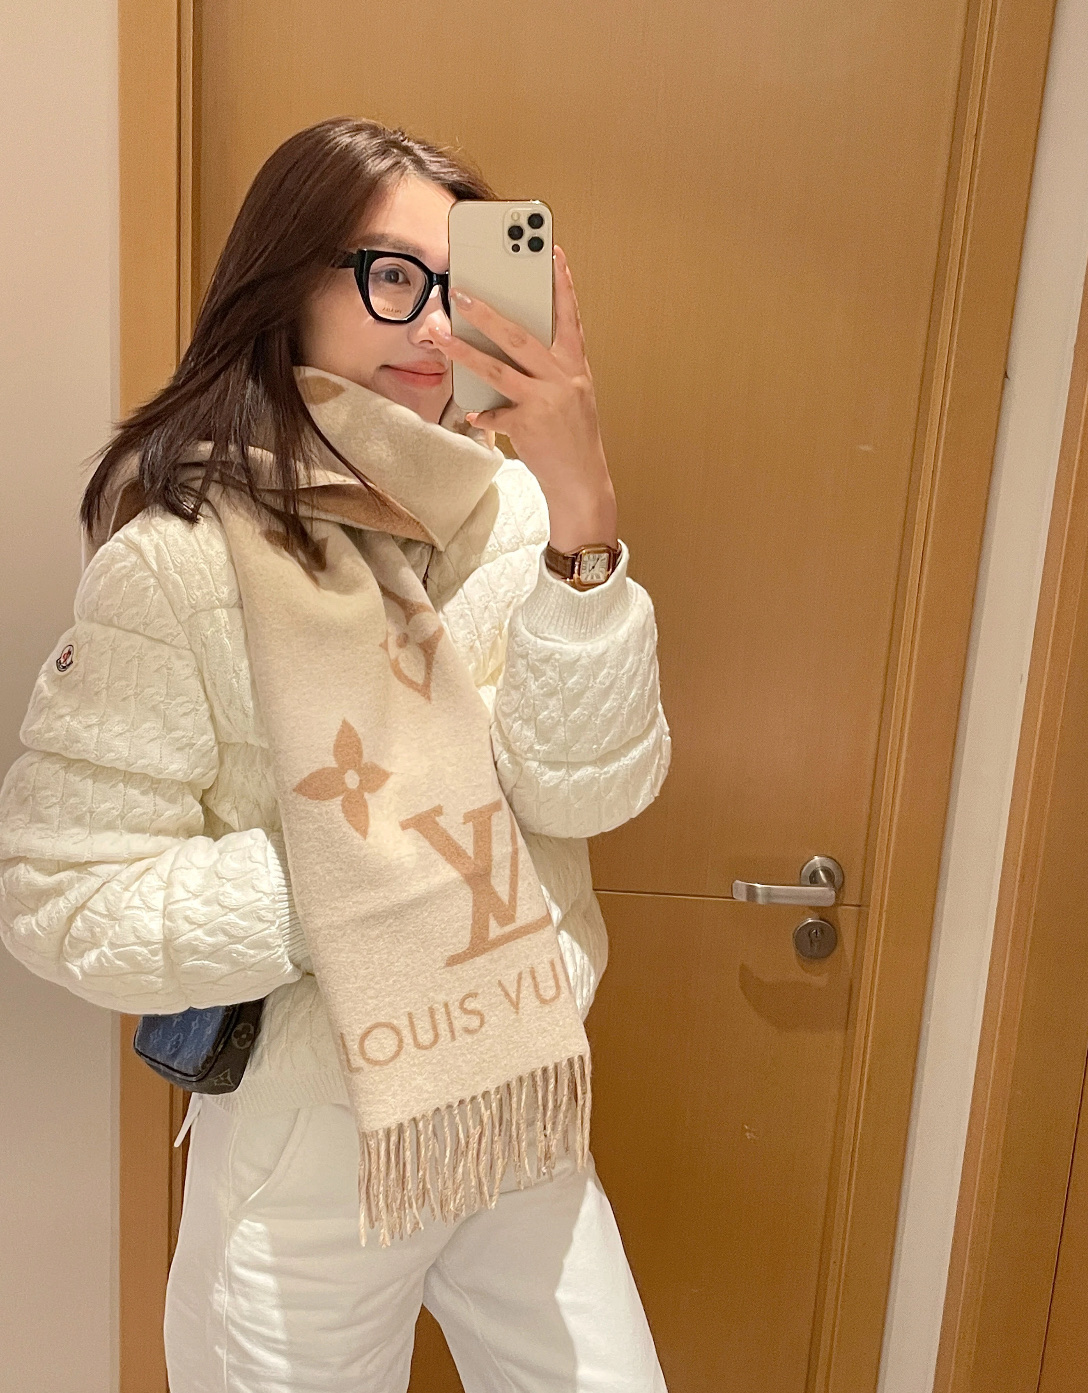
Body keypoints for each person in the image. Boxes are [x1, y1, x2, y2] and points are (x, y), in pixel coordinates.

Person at [0, 116, 671, 1393]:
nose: (433, 325)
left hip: (518, 1098)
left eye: (457, 285)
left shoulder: (511, 511)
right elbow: (61, 894)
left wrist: (584, 515)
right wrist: (366, 872)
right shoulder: (181, 557)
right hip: (312, 1140)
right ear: (287, 283)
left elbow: (591, 787)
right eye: (390, 275)